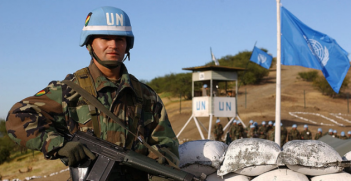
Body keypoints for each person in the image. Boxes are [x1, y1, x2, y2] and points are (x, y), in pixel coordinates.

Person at [5, 6, 179, 181]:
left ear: (127, 45)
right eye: (105, 38)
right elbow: (18, 116)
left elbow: (166, 145)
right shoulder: (69, 90)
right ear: (90, 44)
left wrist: (161, 174)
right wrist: (60, 145)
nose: (113, 45)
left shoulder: (146, 96)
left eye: (120, 39)